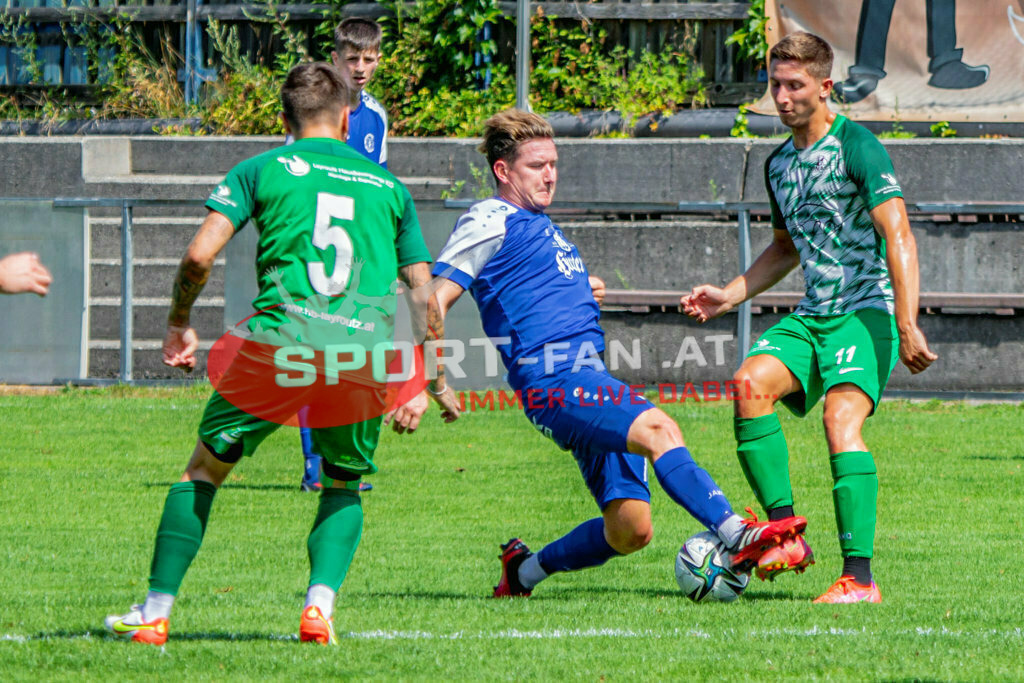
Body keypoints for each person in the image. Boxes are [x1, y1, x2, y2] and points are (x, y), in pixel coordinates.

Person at [104, 62, 459, 646]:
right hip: (361, 357)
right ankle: (319, 608)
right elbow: (423, 295)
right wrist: (429, 377)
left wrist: (177, 324)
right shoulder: (388, 187)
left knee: (203, 471)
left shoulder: (262, 169)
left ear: (284, 119)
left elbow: (198, 256)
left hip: (280, 347)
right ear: (348, 118)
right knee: (343, 484)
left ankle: (156, 611)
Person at [431, 109, 807, 598]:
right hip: (555, 382)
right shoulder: (489, 217)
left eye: (554, 164)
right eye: (536, 165)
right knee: (660, 428)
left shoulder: (539, 224)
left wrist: (581, 290)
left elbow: (525, 289)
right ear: (503, 171)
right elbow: (435, 297)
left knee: (630, 530)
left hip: (588, 376)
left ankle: (521, 572)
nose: (550, 175)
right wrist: (434, 378)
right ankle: (738, 534)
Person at [683, 32, 937, 604]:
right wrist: (729, 295)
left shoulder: (858, 147)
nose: (782, 97)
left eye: (794, 85)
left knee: (840, 423)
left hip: (863, 313)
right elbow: (784, 248)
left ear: (825, 88)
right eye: (775, 84)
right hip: (812, 315)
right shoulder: (778, 165)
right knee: (749, 384)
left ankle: (860, 580)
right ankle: (784, 534)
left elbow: (897, 233)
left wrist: (906, 321)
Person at [299, 17, 390, 491]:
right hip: (317, 250)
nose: (360, 68)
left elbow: (379, 186)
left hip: (361, 255)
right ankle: (315, 464)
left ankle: (342, 461)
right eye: (351, 58)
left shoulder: (376, 115)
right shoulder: (316, 108)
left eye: (368, 59)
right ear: (335, 58)